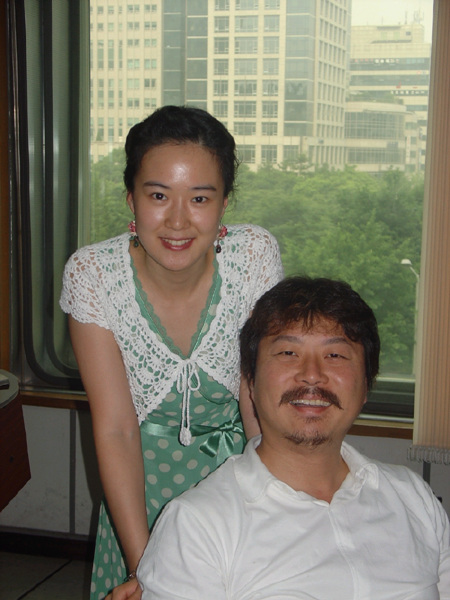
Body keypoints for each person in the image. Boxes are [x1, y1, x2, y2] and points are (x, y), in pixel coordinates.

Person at [59, 105, 283, 600]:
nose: (178, 220)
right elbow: (116, 430)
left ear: (224, 204)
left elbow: (257, 400)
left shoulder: (252, 257)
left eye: (200, 198)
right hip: (138, 497)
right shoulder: (93, 275)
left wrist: (272, 512)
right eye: (158, 195)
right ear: (131, 199)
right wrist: (147, 569)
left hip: (236, 484)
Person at [130, 276, 450, 599]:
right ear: (250, 383)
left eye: (335, 355)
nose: (311, 375)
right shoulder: (197, 526)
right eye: (288, 352)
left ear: (367, 385)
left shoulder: (414, 500)